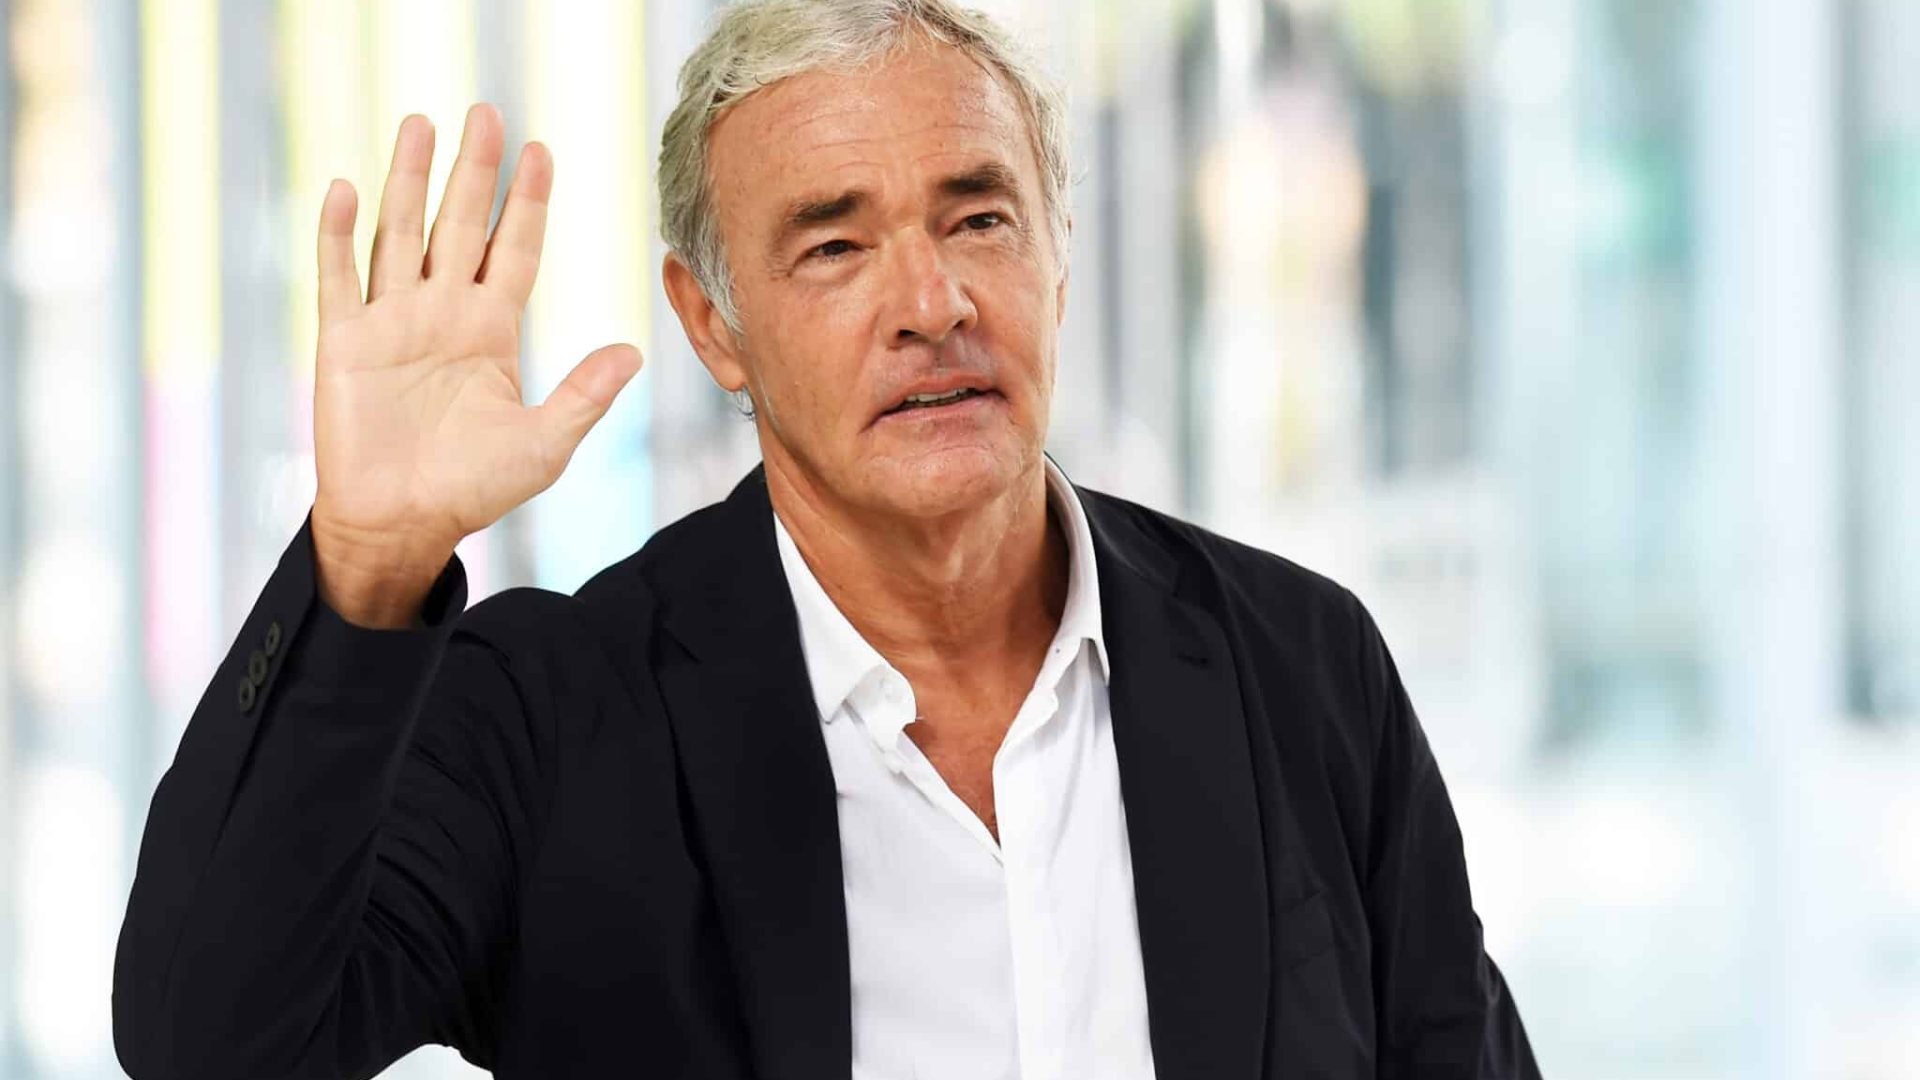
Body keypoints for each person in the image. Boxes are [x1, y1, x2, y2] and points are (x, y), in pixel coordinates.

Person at [112, 1, 1540, 1077]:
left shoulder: (1300, 660)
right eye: (834, 246)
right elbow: (210, 1041)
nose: (932, 302)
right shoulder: (553, 715)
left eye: (979, 216)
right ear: (713, 324)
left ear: (1055, 253)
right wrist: (365, 572)